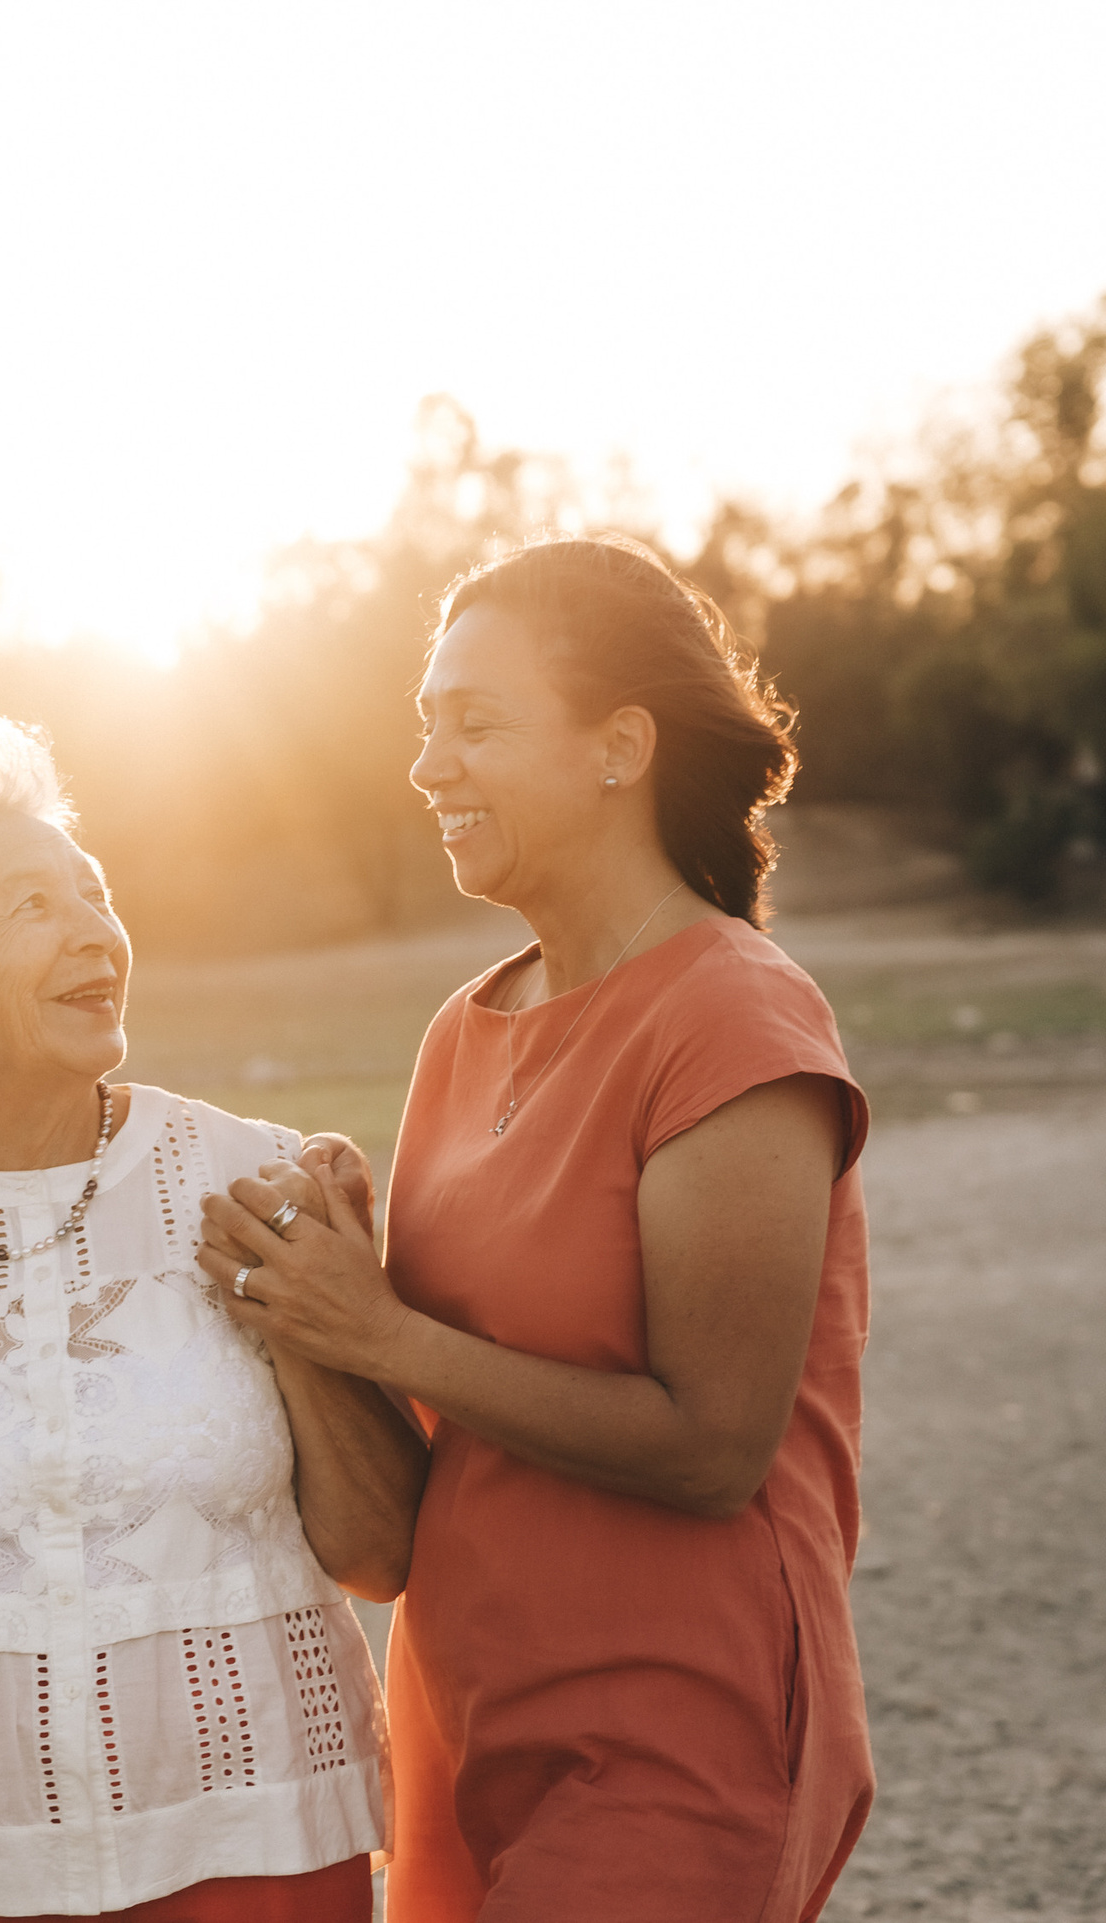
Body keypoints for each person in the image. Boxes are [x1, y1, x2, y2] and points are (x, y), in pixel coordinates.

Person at [195, 534, 872, 1922]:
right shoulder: (465, 1026)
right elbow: (424, 1452)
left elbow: (712, 1443)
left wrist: (382, 1324)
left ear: (619, 746)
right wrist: (330, 1281)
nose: (428, 765)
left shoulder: (732, 1015)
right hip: (468, 1721)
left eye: (476, 723)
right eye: (424, 723)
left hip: (679, 1729)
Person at [0, 717, 427, 1923]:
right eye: (31, 906)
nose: (95, 933)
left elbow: (379, 1551)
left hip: (264, 1837)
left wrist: (294, 1318)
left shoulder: (259, 1177)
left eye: (95, 893)